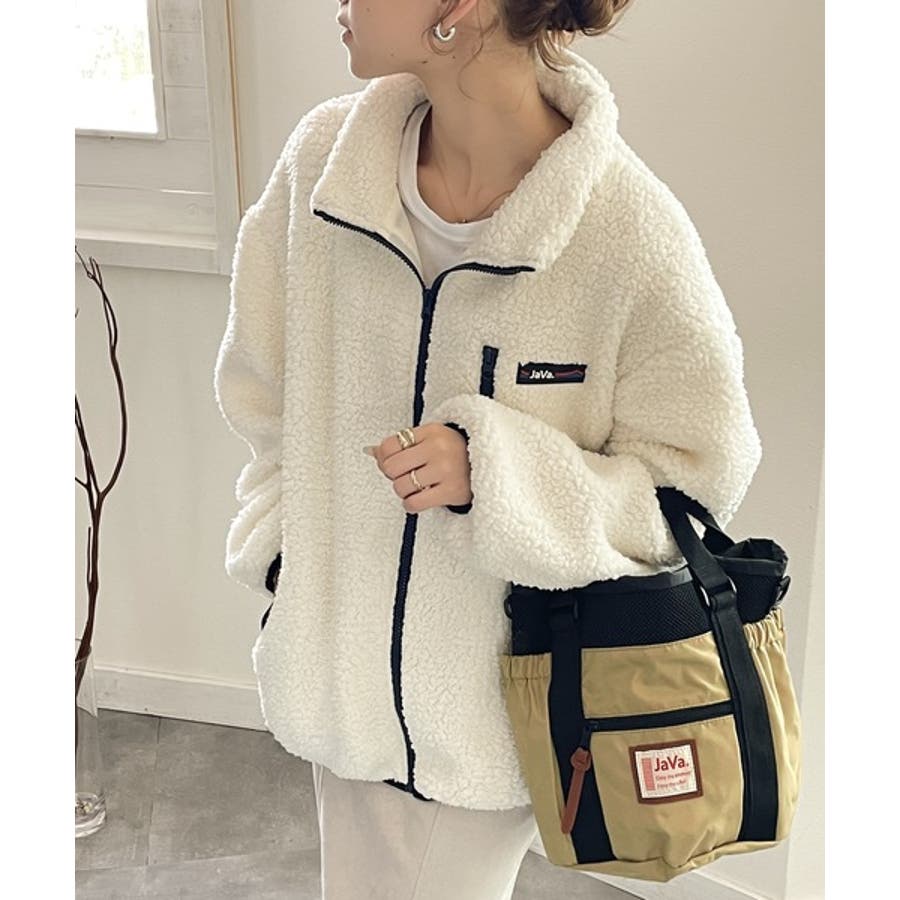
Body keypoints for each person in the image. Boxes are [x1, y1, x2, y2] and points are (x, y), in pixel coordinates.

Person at [212, 1, 763, 897]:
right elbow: (259, 393)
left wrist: (498, 473)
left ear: (460, 8)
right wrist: (287, 569)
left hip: (489, 717)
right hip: (338, 690)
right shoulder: (322, 166)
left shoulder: (626, 230)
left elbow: (692, 486)